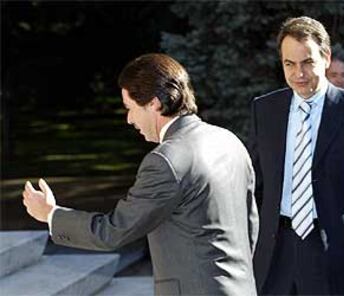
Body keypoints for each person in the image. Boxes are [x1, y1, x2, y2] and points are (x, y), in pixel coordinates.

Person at [22, 53, 259, 296]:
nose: (129, 119)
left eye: (130, 108)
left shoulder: (165, 160)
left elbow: (114, 231)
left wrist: (51, 214)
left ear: (154, 103)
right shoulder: (229, 141)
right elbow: (250, 226)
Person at [249, 16, 344, 295]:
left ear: (326, 58)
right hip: (275, 253)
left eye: (307, 62)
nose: (298, 74)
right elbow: (255, 184)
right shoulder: (265, 110)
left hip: (335, 254)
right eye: (289, 64)